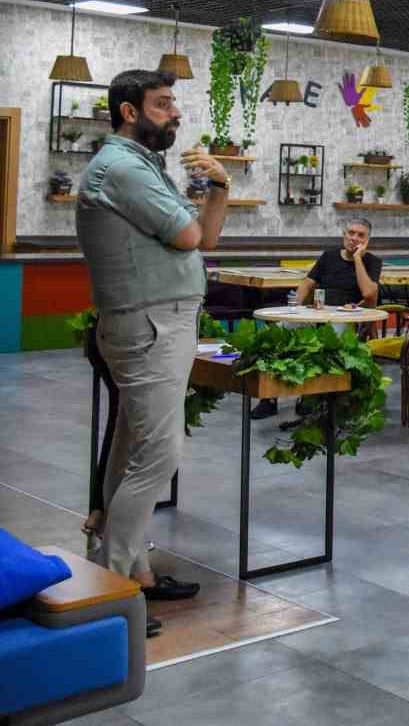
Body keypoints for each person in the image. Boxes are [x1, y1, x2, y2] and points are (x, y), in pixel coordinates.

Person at [75, 69, 231, 610]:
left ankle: (131, 571)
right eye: (163, 104)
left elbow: (204, 236)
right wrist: (194, 220)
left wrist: (221, 186)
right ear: (129, 111)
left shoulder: (146, 166)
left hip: (160, 320)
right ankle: (110, 589)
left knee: (132, 446)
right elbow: (188, 236)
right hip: (150, 323)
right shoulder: (122, 167)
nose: (176, 114)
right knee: (160, 453)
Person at [253, 218, 384, 419]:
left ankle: (310, 395)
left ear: (367, 241)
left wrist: (358, 259)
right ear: (344, 235)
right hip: (316, 310)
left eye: (360, 235)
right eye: (351, 233)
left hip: (346, 317)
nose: (354, 238)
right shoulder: (328, 256)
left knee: (328, 342)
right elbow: (307, 283)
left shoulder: (372, 262)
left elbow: (368, 292)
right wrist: (294, 309)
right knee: (277, 334)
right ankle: (269, 399)